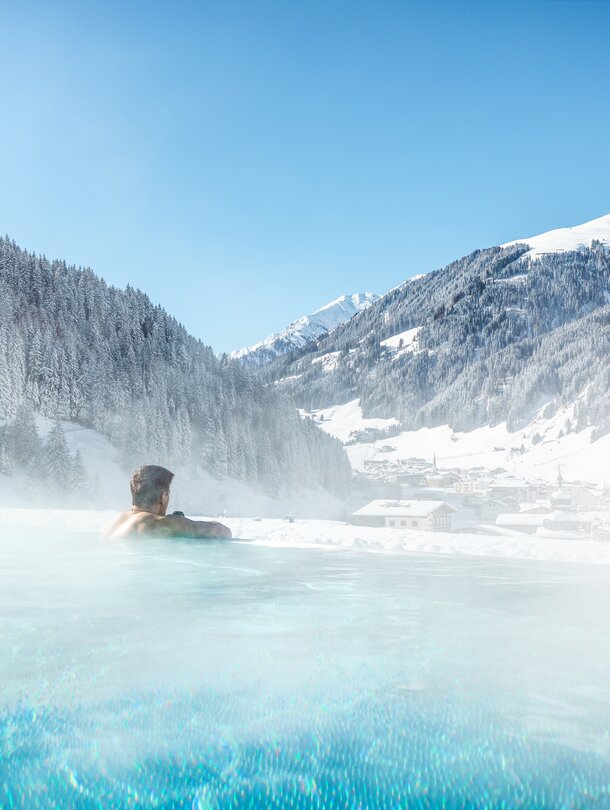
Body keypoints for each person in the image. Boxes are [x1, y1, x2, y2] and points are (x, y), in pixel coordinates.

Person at [105, 465, 232, 539]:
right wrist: (179, 522)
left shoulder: (114, 523)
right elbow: (223, 532)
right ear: (163, 497)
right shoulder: (160, 523)